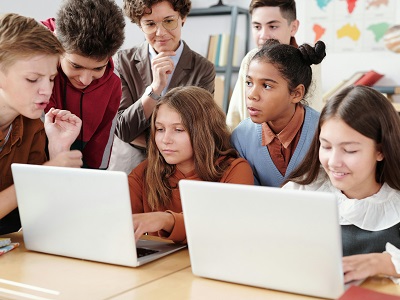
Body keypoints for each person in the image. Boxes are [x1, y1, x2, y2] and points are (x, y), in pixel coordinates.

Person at [283, 85, 400, 284]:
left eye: (350, 150)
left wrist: (386, 262)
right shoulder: (301, 190)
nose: (333, 161)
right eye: (326, 146)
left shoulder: (394, 199)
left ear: (380, 151)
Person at [128, 86, 254, 243]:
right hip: (159, 266)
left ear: (204, 131)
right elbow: (118, 220)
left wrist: (167, 220)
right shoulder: (145, 171)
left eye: (178, 130)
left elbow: (225, 228)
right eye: (160, 129)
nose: (165, 139)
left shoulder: (235, 170)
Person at [108, 0, 215, 174]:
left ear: (183, 18)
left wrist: (141, 137)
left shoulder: (203, 69)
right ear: (140, 25)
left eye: (169, 21)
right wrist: (155, 89)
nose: (160, 33)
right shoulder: (122, 62)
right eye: (150, 24)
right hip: (130, 166)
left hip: (179, 169)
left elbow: (198, 132)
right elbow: (124, 130)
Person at [0, 13, 83, 235]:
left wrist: (57, 151)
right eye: (32, 79)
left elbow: (44, 214)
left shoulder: (33, 126)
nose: (46, 90)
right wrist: (39, 176)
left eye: (51, 79)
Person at [41, 0, 126, 169]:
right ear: (57, 41)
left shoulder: (113, 82)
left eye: (98, 68)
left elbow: (101, 146)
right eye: (76, 66)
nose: (85, 80)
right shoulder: (35, 63)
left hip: (80, 166)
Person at [231, 39, 326, 187]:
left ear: (296, 93)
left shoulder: (324, 132)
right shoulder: (241, 137)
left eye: (266, 86)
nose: (252, 95)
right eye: (249, 83)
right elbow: (247, 198)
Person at [226, 0, 323, 131]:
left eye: (273, 27)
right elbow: (234, 116)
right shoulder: (250, 58)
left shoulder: (308, 62)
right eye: (257, 27)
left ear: (293, 27)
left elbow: (313, 119)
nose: (263, 35)